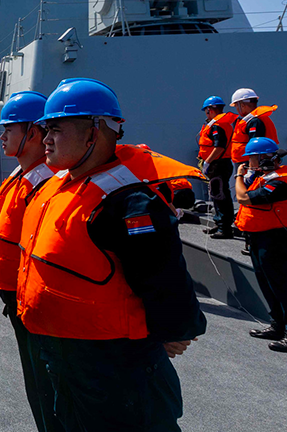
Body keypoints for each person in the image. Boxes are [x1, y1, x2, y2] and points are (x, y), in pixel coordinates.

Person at [18, 78, 207, 432]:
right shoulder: (62, 184)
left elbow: (163, 277)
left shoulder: (128, 202)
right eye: (45, 130)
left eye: (55, 129)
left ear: (95, 132)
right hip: (67, 357)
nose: (45, 139)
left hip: (116, 366)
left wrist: (176, 330)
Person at [0, 91, 60, 432]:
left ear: (32, 132)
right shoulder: (23, 176)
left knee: (48, 387)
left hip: (35, 307)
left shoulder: (43, 182)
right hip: (17, 301)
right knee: (37, 384)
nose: (1, 136)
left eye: (8, 130)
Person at [234, 137, 287, 353]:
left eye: (253, 159)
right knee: (266, 282)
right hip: (258, 237)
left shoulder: (279, 183)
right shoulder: (265, 178)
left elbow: (243, 198)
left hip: (274, 239)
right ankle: (278, 325)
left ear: (265, 159)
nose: (249, 163)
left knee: (281, 286)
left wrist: (239, 175)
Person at [197, 95, 237, 239]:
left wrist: (207, 162)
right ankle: (219, 222)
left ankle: (225, 228)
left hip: (218, 164)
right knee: (216, 194)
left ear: (209, 110)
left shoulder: (218, 125)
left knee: (221, 195)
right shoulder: (218, 123)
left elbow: (219, 147)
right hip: (218, 163)